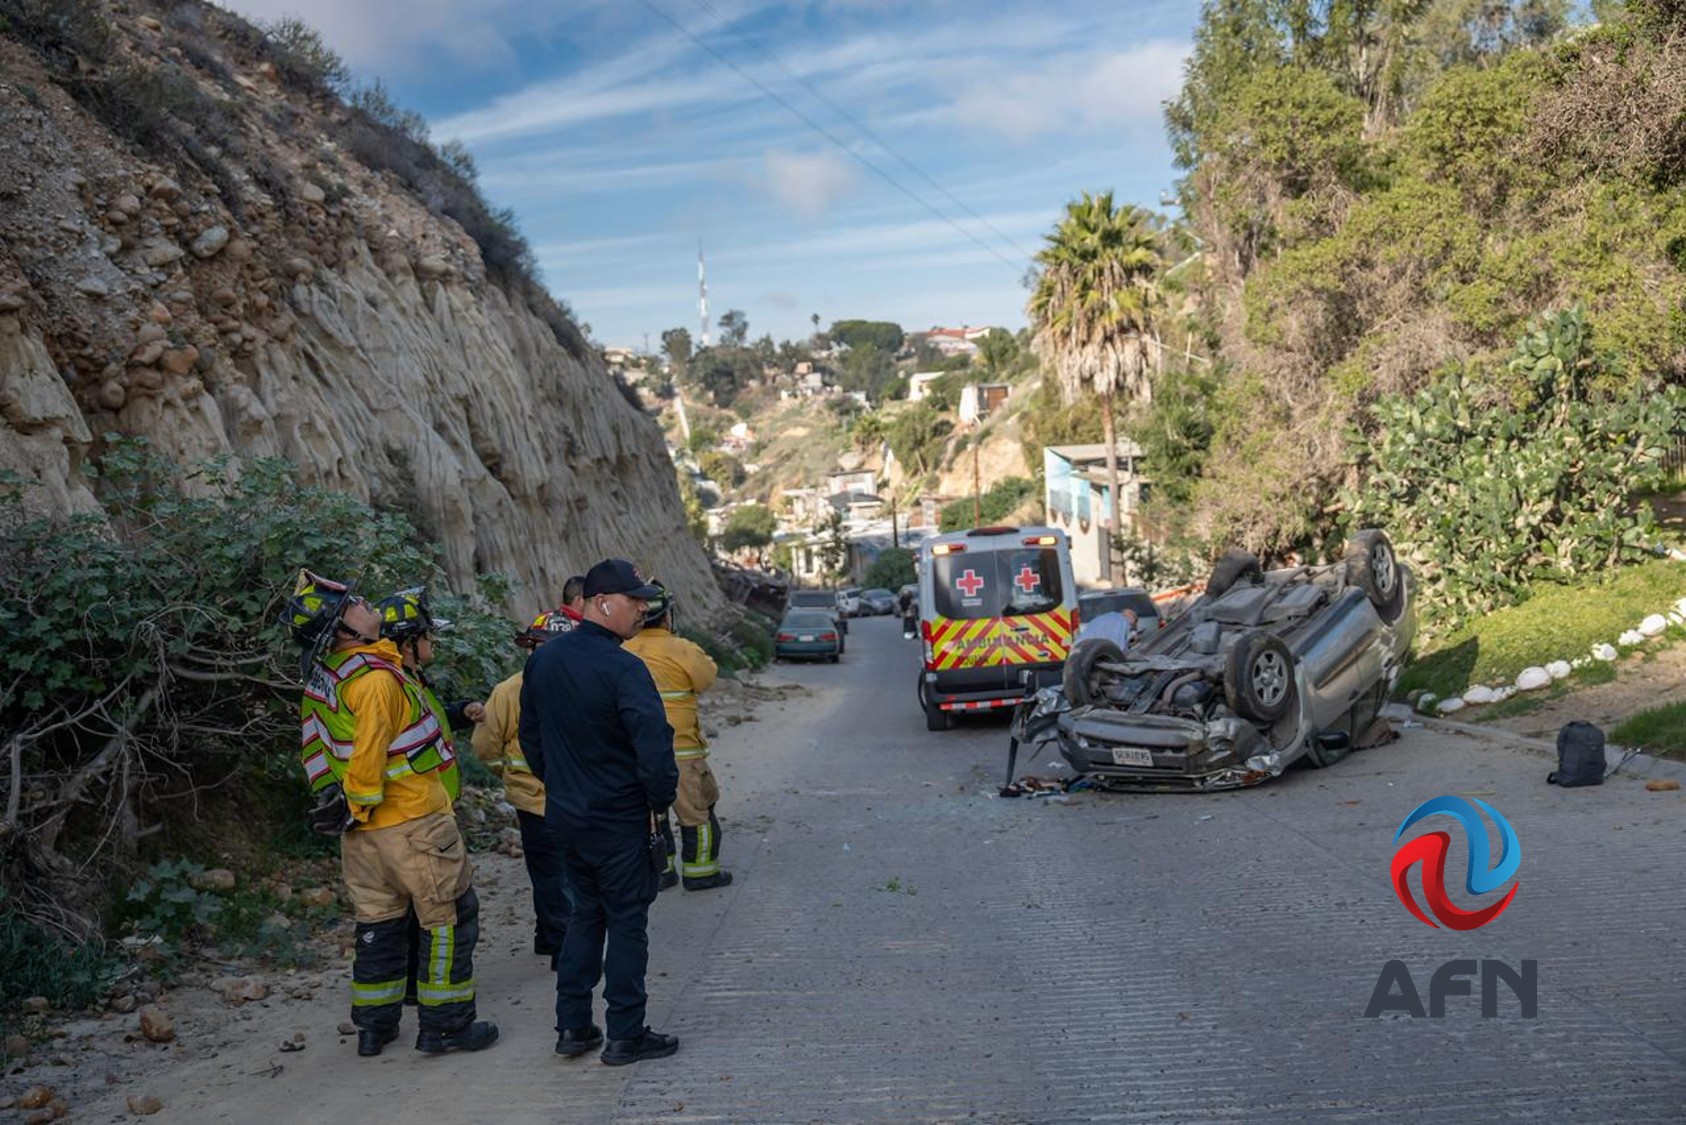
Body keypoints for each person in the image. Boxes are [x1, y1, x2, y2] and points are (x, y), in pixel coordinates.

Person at [286, 571, 497, 1058]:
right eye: (353, 603)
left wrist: (336, 806)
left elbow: (316, 749)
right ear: (344, 629)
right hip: (410, 822)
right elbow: (367, 756)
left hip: (363, 836)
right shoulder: (377, 680)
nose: (364, 602)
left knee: (378, 925)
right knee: (448, 917)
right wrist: (357, 802)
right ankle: (446, 1025)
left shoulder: (325, 677)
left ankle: (374, 1027)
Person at [519, 559, 680, 1066]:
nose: (641, 610)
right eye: (634, 602)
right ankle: (626, 1033)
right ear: (603, 602)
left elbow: (530, 738)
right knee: (627, 922)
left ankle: (573, 1026)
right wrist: (658, 803)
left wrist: (562, 785)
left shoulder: (543, 662)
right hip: (618, 819)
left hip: (565, 817)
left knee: (585, 916)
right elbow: (654, 747)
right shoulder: (623, 667)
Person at [471, 611, 573, 961]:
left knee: (548, 873)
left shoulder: (508, 691)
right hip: (574, 800)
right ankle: (562, 946)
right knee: (568, 874)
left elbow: (485, 746)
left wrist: (508, 773)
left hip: (532, 802)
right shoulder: (584, 686)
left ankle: (552, 937)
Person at [623, 584, 731, 892]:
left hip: (636, 753)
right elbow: (707, 676)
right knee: (697, 813)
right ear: (667, 616)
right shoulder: (682, 649)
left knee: (653, 817)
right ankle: (701, 873)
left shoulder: (621, 650)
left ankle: (662, 872)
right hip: (681, 752)